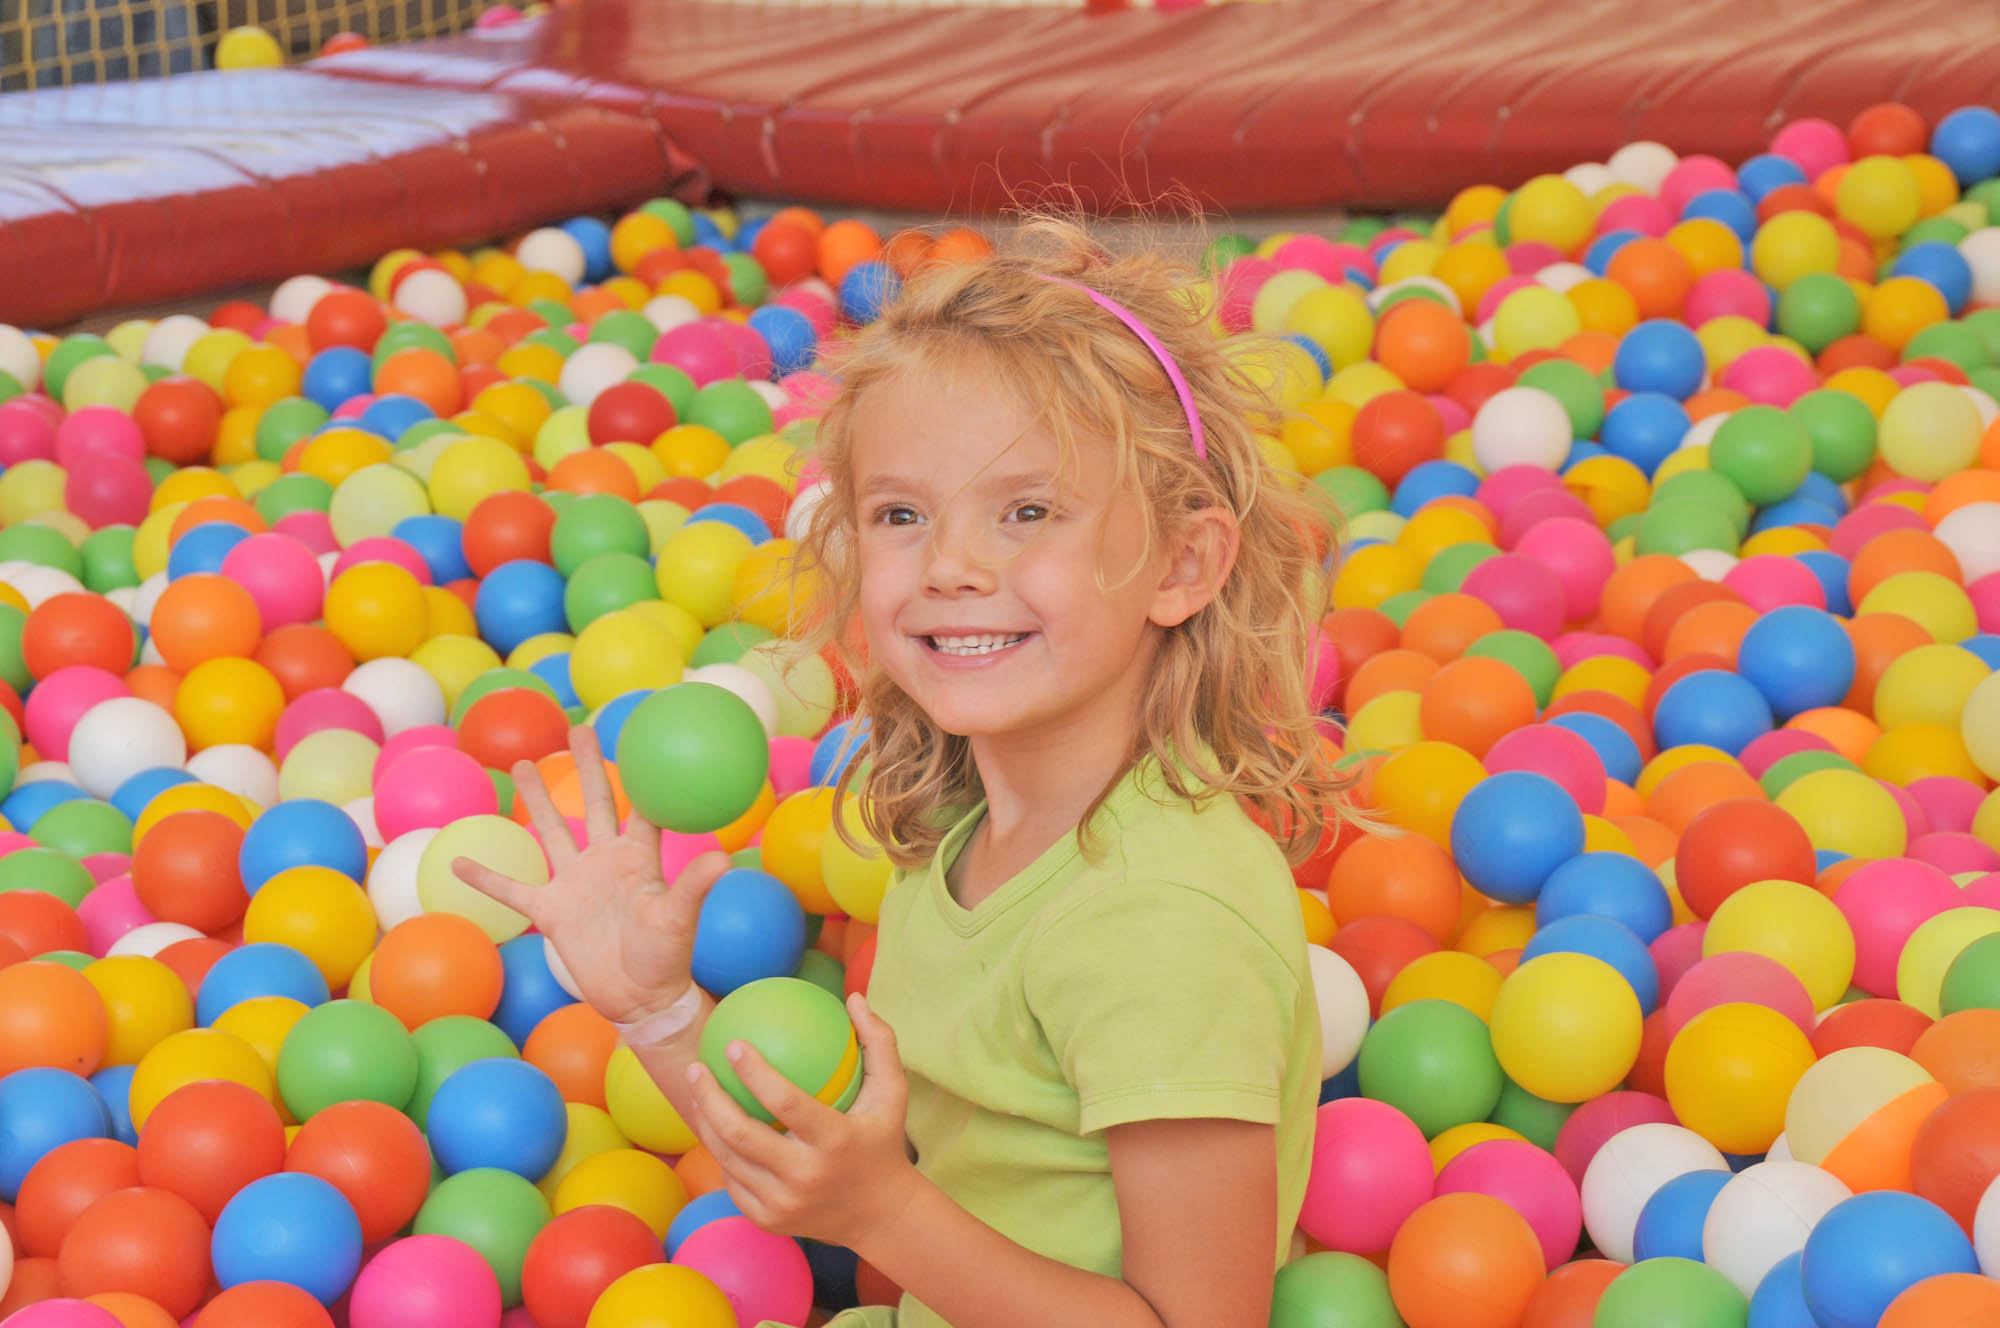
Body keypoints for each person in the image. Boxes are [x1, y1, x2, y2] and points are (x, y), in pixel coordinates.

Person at [454, 215, 1360, 1328]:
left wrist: (884, 1215)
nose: (949, 566)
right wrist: (656, 1015)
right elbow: (826, 1174)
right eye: (899, 514)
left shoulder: (1157, 919)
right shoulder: (969, 824)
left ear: (1180, 562)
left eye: (1026, 511)